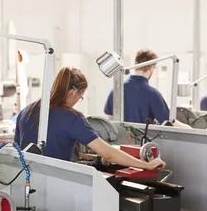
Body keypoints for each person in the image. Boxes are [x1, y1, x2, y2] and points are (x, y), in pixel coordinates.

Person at [15, 66, 165, 170]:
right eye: (80, 97)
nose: (77, 101)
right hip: (56, 185)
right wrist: (146, 165)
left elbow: (20, 148)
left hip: (26, 183)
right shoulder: (72, 118)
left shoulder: (26, 111)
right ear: (74, 93)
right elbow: (108, 153)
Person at [104, 49, 170, 124]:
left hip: (120, 135)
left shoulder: (116, 91)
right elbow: (168, 123)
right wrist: (186, 127)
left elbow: (109, 121)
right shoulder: (153, 94)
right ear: (151, 67)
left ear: (136, 63)